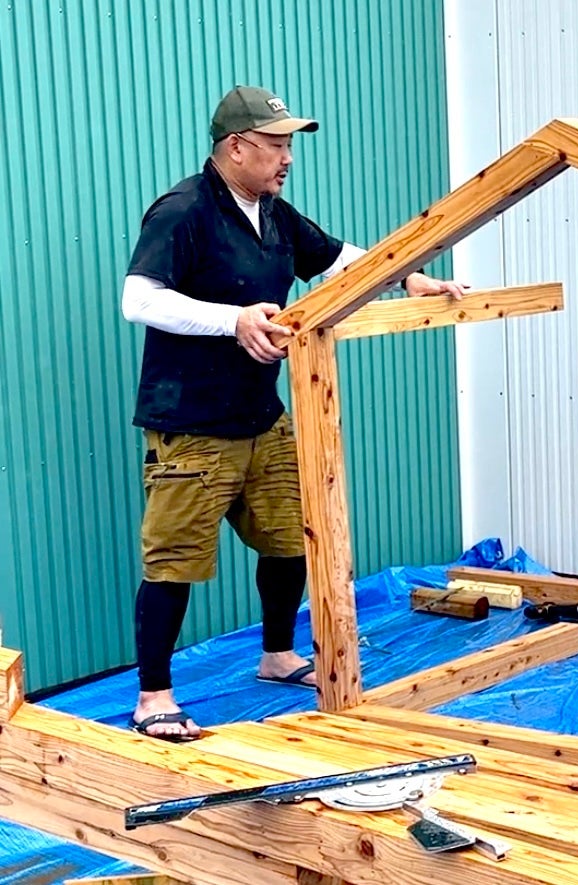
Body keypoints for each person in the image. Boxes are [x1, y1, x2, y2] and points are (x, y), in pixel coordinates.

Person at [121, 85, 465, 741]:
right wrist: (233, 320)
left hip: (262, 414)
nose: (287, 158)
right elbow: (139, 299)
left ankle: (277, 655)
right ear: (236, 147)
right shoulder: (184, 210)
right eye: (275, 144)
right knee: (174, 561)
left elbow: (338, 259)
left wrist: (409, 278)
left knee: (288, 539)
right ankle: (153, 697)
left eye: (289, 145)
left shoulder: (274, 214)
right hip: (191, 426)